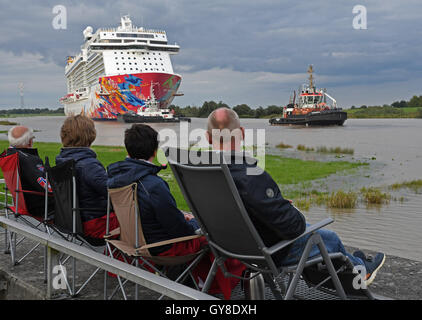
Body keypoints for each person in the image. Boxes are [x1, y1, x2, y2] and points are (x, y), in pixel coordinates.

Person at [205, 107, 385, 286]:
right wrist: (289, 209)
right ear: (242, 133)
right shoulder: (249, 174)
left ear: (207, 137)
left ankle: (355, 260)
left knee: (314, 232)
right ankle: (362, 271)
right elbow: (294, 227)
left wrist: (274, 204)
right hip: (270, 252)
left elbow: (235, 206)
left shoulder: (204, 171)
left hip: (228, 248)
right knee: (329, 237)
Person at [107, 123, 246, 299]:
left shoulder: (114, 180)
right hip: (159, 248)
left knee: (189, 220)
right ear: (155, 152)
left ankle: (195, 279)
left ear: (128, 150)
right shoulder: (153, 185)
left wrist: (181, 217)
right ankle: (211, 284)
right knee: (212, 231)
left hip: (131, 242)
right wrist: (194, 222)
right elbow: (179, 230)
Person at [56, 115, 118, 239]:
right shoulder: (88, 165)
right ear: (90, 135)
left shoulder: (62, 161)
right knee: (145, 218)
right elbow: (114, 193)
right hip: (95, 224)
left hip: (71, 222)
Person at [4, 126, 53, 217]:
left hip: (20, 202)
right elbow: (47, 187)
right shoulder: (29, 160)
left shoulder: (9, 155)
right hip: (40, 207)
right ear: (29, 142)